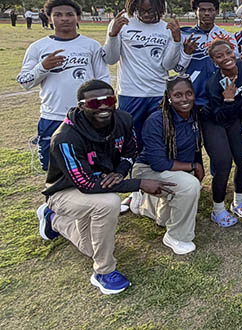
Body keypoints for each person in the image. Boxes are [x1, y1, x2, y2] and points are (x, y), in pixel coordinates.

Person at [36, 80, 175, 294]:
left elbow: (130, 151)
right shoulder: (65, 138)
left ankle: (54, 220)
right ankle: (103, 272)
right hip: (66, 191)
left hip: (100, 184)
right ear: (81, 106)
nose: (103, 107)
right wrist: (138, 184)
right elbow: (85, 184)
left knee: (90, 248)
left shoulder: (123, 119)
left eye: (109, 100)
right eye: (94, 103)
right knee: (109, 203)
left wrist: (119, 172)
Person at [17, 0, 111, 170]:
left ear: (78, 17)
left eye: (69, 14)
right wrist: (43, 67)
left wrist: (100, 107)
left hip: (86, 117)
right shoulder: (38, 47)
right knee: (53, 168)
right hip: (53, 116)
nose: (64, 18)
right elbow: (25, 82)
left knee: (91, 167)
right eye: (58, 15)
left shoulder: (91, 45)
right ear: (49, 18)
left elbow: (102, 79)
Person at [127, 76, 203, 255]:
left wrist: (196, 164)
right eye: (178, 95)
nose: (184, 99)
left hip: (173, 168)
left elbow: (195, 145)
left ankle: (143, 205)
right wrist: (193, 166)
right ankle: (176, 236)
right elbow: (158, 163)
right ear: (169, 97)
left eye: (188, 93)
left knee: (165, 217)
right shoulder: (157, 120)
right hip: (147, 169)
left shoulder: (195, 114)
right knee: (189, 186)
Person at [103, 0, 182, 145]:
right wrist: (113, 34)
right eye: (141, 10)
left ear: (160, 8)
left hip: (158, 93)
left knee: (158, 138)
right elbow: (111, 59)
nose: (146, 14)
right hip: (130, 93)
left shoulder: (165, 28)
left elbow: (168, 65)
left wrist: (176, 41)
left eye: (150, 11)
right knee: (130, 140)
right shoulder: (122, 24)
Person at [204, 38, 242, 227]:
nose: (226, 58)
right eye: (219, 56)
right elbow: (219, 116)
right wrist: (228, 100)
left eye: (228, 52)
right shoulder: (213, 84)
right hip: (215, 122)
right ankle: (217, 210)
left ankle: (238, 201)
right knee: (224, 162)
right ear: (214, 61)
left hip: (234, 118)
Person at [174, 0, 237, 108]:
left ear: (217, 12)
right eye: (202, 10)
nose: (207, 13)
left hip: (219, 92)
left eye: (211, 10)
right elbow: (178, 69)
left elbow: (234, 67)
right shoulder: (185, 36)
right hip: (193, 93)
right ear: (195, 11)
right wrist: (187, 54)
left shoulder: (227, 36)